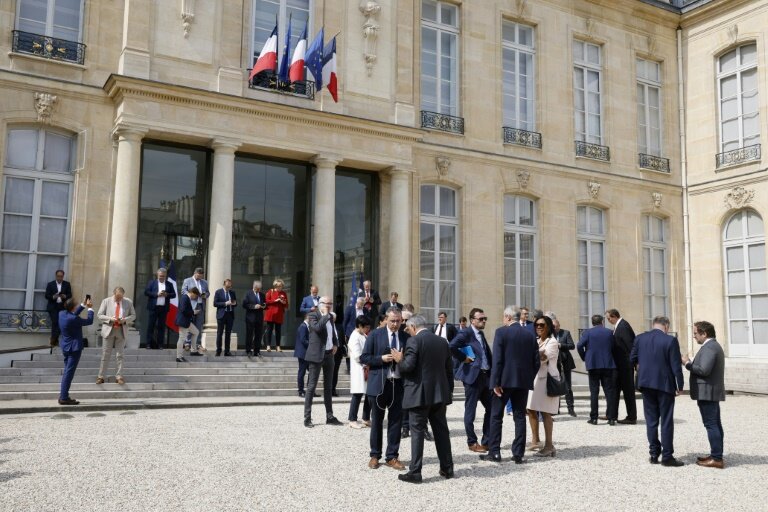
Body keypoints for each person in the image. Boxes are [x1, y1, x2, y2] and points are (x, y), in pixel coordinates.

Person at [397, 314, 455, 483]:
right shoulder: (442, 342)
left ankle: (415, 472)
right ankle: (447, 468)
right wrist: (448, 392)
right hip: (439, 395)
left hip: (418, 395)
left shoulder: (414, 341)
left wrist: (400, 360)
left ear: (414, 327)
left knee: (417, 432)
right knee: (441, 432)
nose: (408, 332)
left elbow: (408, 366)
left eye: (408, 329)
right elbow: (449, 370)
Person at [482, 306, 539, 464]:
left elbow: (497, 360)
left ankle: (494, 452)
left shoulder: (502, 332)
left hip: (504, 382)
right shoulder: (529, 334)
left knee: (496, 416)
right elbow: (536, 361)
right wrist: (528, 377)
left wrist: (495, 382)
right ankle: (518, 454)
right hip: (522, 381)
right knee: (520, 417)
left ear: (508, 317)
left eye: (503, 317)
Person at [631, 316, 685, 467]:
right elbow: (676, 366)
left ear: (653, 325)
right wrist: (680, 385)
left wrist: (643, 367)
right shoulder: (670, 340)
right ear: (666, 326)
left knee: (651, 420)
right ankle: (667, 456)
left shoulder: (640, 338)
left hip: (646, 383)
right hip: (665, 384)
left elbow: (632, 358)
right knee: (666, 420)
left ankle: (654, 453)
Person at [360, 307, 409, 471]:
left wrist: (402, 359)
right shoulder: (375, 334)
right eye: (393, 321)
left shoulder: (406, 337)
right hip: (379, 383)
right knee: (377, 421)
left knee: (396, 421)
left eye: (398, 321)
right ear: (386, 319)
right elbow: (364, 357)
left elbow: (411, 360)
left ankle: (392, 456)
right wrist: (381, 358)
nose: (395, 324)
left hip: (398, 384)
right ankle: (375, 455)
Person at [683, 320, 726, 469]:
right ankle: (716, 454)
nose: (694, 336)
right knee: (715, 424)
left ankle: (716, 458)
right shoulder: (712, 346)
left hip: (707, 392)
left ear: (704, 333)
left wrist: (687, 363)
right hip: (709, 391)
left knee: (711, 424)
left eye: (695, 333)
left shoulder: (709, 347)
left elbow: (704, 370)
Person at [450, 307, 493, 453]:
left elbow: (486, 354)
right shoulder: (465, 333)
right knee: (471, 411)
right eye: (481, 319)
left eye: (485, 318)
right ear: (472, 320)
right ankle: (472, 442)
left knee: (491, 408)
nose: (484, 321)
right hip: (472, 377)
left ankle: (486, 441)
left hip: (485, 376)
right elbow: (452, 346)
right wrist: (464, 358)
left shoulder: (480, 333)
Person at [303, 296, 342, 427]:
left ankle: (329, 416)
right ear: (320, 304)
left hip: (329, 354)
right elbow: (317, 328)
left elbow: (333, 333)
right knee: (311, 387)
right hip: (316, 355)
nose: (329, 305)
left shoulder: (330, 317)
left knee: (328, 387)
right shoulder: (313, 315)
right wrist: (325, 315)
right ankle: (307, 418)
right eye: (327, 303)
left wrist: (336, 343)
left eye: (331, 303)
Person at [525, 314, 560, 458]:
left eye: (542, 325)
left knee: (546, 412)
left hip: (547, 379)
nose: (538, 327)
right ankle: (536, 440)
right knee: (531, 409)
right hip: (534, 378)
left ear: (548, 327)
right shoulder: (536, 340)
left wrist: (529, 352)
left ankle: (549, 445)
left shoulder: (552, 342)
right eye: (536, 325)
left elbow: (543, 357)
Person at [578, 314, 619, 425]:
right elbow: (615, 347)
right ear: (602, 322)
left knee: (594, 392)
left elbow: (579, 346)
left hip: (593, 365)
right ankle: (611, 418)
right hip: (607, 365)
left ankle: (594, 418)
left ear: (592, 322)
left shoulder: (587, 333)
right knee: (609, 392)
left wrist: (584, 357)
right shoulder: (609, 332)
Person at [96, 287, 136, 385]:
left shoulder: (128, 302)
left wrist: (125, 320)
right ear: (114, 294)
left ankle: (119, 376)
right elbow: (99, 315)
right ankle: (101, 376)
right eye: (117, 297)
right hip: (109, 329)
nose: (119, 299)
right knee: (106, 354)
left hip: (121, 330)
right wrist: (110, 319)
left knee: (120, 355)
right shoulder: (106, 301)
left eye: (121, 297)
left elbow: (133, 315)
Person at [57, 297, 94, 405]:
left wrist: (83, 304)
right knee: (69, 373)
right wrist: (90, 308)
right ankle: (64, 397)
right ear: (73, 308)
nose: (78, 306)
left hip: (65, 346)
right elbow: (89, 321)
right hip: (74, 348)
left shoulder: (62, 314)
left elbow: (73, 314)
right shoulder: (73, 319)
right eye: (77, 305)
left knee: (67, 372)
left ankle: (64, 395)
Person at [606, 309, 638, 424]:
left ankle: (631, 417)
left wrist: (634, 363)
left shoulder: (623, 326)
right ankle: (612, 415)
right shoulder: (619, 326)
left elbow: (631, 345)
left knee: (628, 392)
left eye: (609, 318)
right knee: (615, 390)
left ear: (614, 316)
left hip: (625, 365)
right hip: (619, 365)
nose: (608, 321)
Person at [547, 312, 577, 417]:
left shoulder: (566, 333)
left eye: (556, 326)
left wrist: (560, 345)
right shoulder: (549, 335)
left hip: (565, 363)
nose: (555, 328)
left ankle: (571, 409)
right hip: (554, 364)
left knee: (568, 386)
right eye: (553, 327)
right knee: (555, 386)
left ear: (559, 325)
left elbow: (572, 346)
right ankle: (556, 409)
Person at [347, 316, 372, 428]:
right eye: (366, 327)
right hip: (359, 368)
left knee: (368, 394)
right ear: (360, 326)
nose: (368, 329)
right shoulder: (354, 337)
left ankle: (366, 418)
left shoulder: (363, 335)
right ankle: (352, 419)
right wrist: (368, 361)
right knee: (357, 395)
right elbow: (357, 356)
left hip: (366, 367)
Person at [144, 267, 175, 349]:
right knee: (151, 326)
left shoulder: (169, 284)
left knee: (161, 327)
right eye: (160, 276)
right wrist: (156, 294)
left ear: (166, 276)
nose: (162, 277)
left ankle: (160, 344)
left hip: (163, 309)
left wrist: (167, 294)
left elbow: (174, 294)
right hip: (153, 308)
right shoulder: (152, 283)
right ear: (157, 275)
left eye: (163, 276)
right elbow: (146, 292)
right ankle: (148, 344)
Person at [181, 268, 209, 351]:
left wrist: (205, 295)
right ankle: (187, 343)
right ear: (195, 273)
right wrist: (193, 295)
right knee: (190, 324)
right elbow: (183, 291)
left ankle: (197, 344)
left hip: (200, 305)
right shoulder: (187, 280)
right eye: (199, 276)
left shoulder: (205, 282)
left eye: (201, 276)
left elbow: (208, 292)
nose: (200, 277)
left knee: (198, 325)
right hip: (191, 305)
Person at [45, 269, 72, 347]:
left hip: (62, 307)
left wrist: (65, 296)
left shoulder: (67, 284)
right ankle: (54, 341)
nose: (59, 278)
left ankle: (54, 340)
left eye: (61, 276)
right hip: (53, 307)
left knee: (61, 324)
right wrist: (54, 296)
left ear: (63, 276)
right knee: (55, 323)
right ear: (56, 276)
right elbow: (46, 295)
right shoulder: (50, 284)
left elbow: (70, 295)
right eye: (58, 276)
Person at [175, 287, 203, 362]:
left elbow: (185, 309)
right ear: (193, 293)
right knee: (182, 338)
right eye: (196, 296)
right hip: (183, 321)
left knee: (196, 332)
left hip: (187, 321)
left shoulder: (186, 298)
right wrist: (193, 312)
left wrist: (193, 311)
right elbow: (183, 310)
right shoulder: (185, 297)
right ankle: (179, 356)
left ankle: (193, 351)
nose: (195, 298)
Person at [241, 280, 266, 357]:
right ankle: (248, 350)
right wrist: (254, 306)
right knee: (249, 334)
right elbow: (244, 304)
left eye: (260, 289)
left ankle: (257, 351)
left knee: (258, 335)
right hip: (250, 317)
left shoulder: (262, 295)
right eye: (257, 288)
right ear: (254, 287)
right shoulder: (248, 294)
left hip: (259, 317)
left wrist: (264, 306)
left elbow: (265, 303)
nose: (259, 290)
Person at [213, 279, 237, 356]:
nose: (228, 288)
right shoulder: (218, 292)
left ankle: (227, 351)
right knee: (219, 333)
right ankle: (218, 350)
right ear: (224, 285)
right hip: (221, 315)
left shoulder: (232, 292)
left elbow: (235, 303)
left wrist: (234, 303)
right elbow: (215, 303)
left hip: (230, 314)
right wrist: (225, 303)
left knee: (228, 333)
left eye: (230, 286)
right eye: (227, 286)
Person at [264, 279, 288, 352]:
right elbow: (266, 301)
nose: (279, 287)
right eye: (278, 286)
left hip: (279, 314)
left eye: (281, 286)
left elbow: (286, 305)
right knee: (269, 330)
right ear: (275, 286)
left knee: (278, 331)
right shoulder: (270, 291)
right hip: (271, 314)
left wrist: (283, 302)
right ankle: (268, 345)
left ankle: (278, 346)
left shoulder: (284, 293)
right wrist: (275, 300)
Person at [295, 315, 310, 397]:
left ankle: (310, 390)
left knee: (311, 371)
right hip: (303, 353)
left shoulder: (306, 326)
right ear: (308, 318)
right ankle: (300, 390)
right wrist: (312, 344)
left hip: (306, 354)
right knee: (302, 372)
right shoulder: (303, 326)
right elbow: (303, 340)